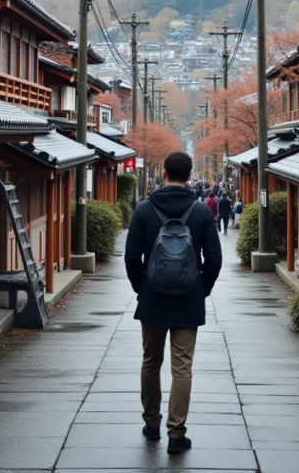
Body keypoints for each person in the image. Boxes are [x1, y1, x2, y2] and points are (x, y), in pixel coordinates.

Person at [124, 151, 222, 456]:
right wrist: (200, 288)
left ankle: (152, 424)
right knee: (183, 366)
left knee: (151, 362)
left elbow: (130, 257)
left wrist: (142, 287)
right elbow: (215, 259)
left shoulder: (143, 210)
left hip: (153, 298)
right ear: (190, 176)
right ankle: (176, 434)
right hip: (188, 301)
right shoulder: (201, 211)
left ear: (163, 173)